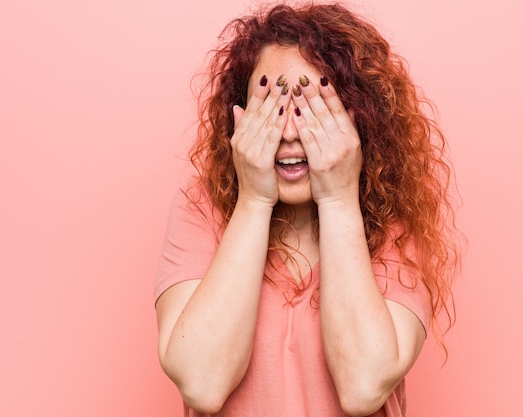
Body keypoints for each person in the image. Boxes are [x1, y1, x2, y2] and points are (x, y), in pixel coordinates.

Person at [155, 2, 460, 416]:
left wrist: (337, 198)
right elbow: (201, 382)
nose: (292, 133)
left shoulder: (395, 223)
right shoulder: (201, 207)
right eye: (272, 106)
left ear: (359, 120)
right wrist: (254, 199)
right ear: (240, 115)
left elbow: (364, 387)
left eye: (316, 108)